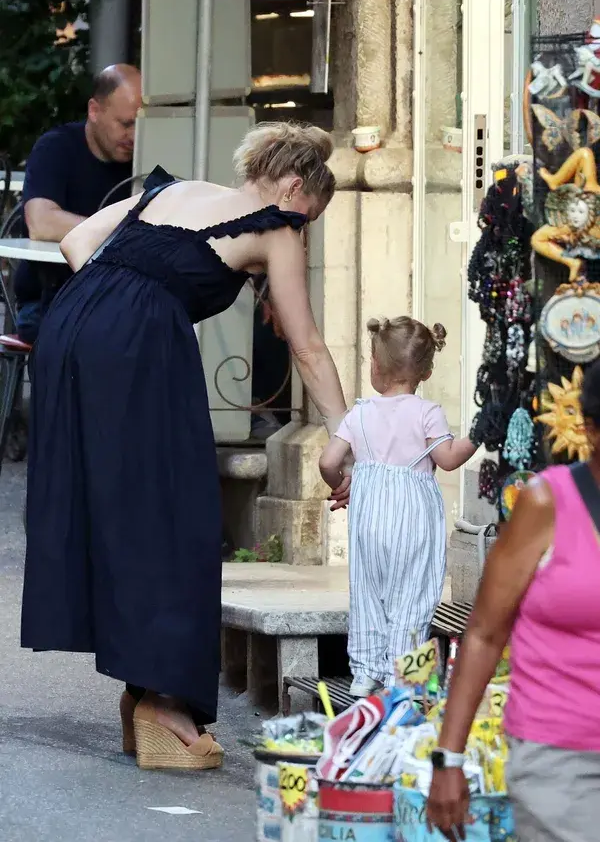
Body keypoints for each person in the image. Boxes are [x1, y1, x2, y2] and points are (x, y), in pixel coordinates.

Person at [21, 122, 350, 772]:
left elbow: (80, 241)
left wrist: (119, 299)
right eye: (308, 216)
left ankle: (145, 691)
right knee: (180, 517)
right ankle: (163, 705)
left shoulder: (170, 189)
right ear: (294, 187)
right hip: (139, 341)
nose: (302, 232)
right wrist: (348, 431)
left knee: (125, 508)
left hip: (74, 323)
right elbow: (306, 345)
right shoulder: (275, 221)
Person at [426, 360, 600, 841]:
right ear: (590, 430)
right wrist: (450, 757)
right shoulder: (547, 504)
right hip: (563, 763)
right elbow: (484, 631)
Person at [319, 316, 477, 697]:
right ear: (425, 371)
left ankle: (364, 673)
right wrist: (484, 431)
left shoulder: (359, 413)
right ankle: (403, 680)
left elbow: (327, 460)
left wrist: (341, 485)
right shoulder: (426, 413)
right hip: (413, 521)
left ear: (376, 364)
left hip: (370, 518)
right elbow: (450, 458)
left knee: (369, 593)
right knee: (413, 597)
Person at [14, 64, 141, 344]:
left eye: (141, 125)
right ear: (94, 111)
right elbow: (41, 223)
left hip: (117, 299)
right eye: (125, 123)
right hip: (50, 300)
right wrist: (125, 229)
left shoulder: (145, 157)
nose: (134, 136)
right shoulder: (56, 148)